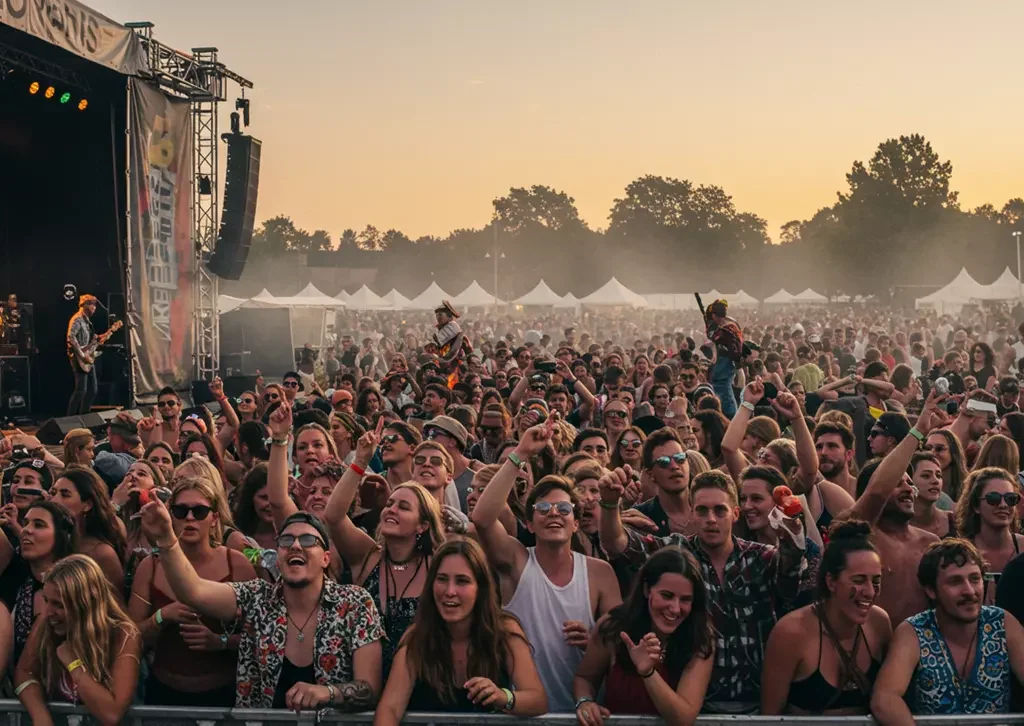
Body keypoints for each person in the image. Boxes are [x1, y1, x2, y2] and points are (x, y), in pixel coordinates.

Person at [139, 500, 385, 711]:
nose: (296, 546)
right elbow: (194, 591)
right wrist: (166, 539)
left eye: (308, 540)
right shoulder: (257, 597)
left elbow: (369, 689)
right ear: (277, 555)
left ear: (325, 558)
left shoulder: (355, 603)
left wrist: (328, 693)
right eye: (286, 540)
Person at [598, 468, 806, 711]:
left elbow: (790, 577)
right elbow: (617, 545)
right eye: (702, 510)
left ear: (735, 514)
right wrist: (610, 505)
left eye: (720, 510)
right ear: (692, 513)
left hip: (758, 703)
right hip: (693, 702)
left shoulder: (762, 557)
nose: (711, 519)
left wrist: (792, 531)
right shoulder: (676, 552)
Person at [471, 421, 622, 712]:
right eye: (543, 509)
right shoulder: (516, 561)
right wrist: (521, 453)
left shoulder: (600, 572)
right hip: (522, 714)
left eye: (564, 509)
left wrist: (593, 642)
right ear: (529, 523)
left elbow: (620, 643)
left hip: (587, 712)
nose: (554, 513)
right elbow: (483, 519)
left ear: (576, 522)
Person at [374, 540, 547, 722]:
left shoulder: (504, 632)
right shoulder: (417, 637)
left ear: (481, 589)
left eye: (462, 581)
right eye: (441, 579)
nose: (450, 591)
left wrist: (504, 697)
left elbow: (538, 700)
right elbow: (390, 709)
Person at [323, 422, 446, 677]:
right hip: (362, 683)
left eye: (403, 507)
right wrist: (359, 461)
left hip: (422, 682)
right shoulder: (368, 556)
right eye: (390, 504)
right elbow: (334, 516)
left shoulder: (438, 565)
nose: (391, 509)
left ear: (423, 525)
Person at [128, 476, 257, 706]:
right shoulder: (150, 566)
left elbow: (262, 639)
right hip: (163, 695)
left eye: (199, 511)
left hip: (222, 695)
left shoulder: (236, 565)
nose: (189, 518)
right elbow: (130, 640)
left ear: (215, 518)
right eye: (180, 511)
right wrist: (162, 616)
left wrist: (220, 641)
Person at [871, 539, 1024, 720]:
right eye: (955, 582)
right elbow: (885, 698)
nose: (969, 591)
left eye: (975, 579)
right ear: (931, 590)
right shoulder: (913, 631)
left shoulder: (1002, 622)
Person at [572, 547, 714, 726]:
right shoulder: (614, 626)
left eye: (685, 599)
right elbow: (584, 678)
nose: (675, 608)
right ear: (647, 589)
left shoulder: (700, 638)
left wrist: (648, 673)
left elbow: (683, 719)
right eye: (667, 595)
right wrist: (585, 702)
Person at [761, 520, 891, 715]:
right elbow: (769, 717)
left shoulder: (879, 623)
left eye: (876, 581)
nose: (870, 592)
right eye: (859, 580)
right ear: (831, 581)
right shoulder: (791, 633)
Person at [15, 555, 141, 725]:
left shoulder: (123, 635)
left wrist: (74, 664)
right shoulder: (46, 621)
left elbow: (112, 713)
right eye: (46, 601)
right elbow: (24, 673)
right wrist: (41, 716)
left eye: (59, 604)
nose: (48, 611)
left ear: (86, 603)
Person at [9, 502, 77, 668]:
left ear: (62, 535)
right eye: (25, 523)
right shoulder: (15, 579)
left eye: (39, 525)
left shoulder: (75, 587)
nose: (27, 530)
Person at [48, 466, 126, 594]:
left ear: (87, 505)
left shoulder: (102, 553)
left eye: (65, 495)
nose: (54, 500)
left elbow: (117, 604)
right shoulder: (50, 541)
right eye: (53, 493)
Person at [955, 467, 1024, 604]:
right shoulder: (961, 552)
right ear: (976, 506)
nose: (1003, 505)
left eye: (1011, 499)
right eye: (993, 498)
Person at [66, 294, 100, 415]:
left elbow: (86, 342)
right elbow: (71, 337)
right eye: (92, 305)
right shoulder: (77, 319)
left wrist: (95, 341)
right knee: (81, 390)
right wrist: (81, 354)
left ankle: (84, 417)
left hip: (88, 358)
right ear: (85, 305)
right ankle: (70, 418)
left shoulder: (87, 322)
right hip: (79, 359)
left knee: (92, 390)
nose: (94, 308)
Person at [909, 453, 955, 539]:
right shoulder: (898, 525)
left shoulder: (954, 521)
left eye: (938, 476)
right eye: (926, 476)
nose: (935, 481)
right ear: (909, 480)